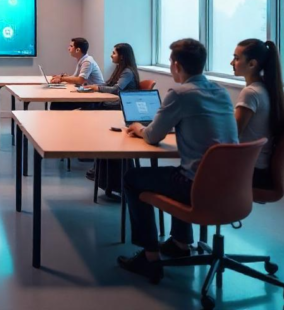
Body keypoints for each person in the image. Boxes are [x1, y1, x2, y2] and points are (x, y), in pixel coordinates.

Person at [118, 39, 238, 282]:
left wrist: (138, 128)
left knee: (132, 178)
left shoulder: (180, 94)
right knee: (179, 171)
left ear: (176, 65)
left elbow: (153, 136)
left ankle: (150, 257)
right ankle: (180, 243)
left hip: (196, 186)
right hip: (231, 184)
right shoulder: (221, 92)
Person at [231, 39, 284, 188]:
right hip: (259, 167)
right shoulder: (264, 88)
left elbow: (232, 135)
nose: (231, 63)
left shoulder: (250, 93)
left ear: (252, 64)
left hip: (249, 170)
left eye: (236, 58)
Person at [85, 43, 141, 187]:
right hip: (116, 104)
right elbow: (109, 84)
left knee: (91, 112)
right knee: (90, 109)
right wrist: (96, 87)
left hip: (121, 106)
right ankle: (96, 162)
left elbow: (116, 90)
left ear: (122, 56)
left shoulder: (127, 72)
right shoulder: (120, 69)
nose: (111, 55)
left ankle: (95, 161)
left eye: (114, 53)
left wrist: (97, 88)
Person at [49, 37, 105, 111]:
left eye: (71, 46)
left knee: (57, 104)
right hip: (87, 92)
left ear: (78, 50)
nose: (68, 48)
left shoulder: (87, 62)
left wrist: (61, 79)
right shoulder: (82, 60)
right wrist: (62, 77)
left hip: (94, 96)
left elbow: (80, 80)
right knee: (56, 102)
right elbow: (75, 77)